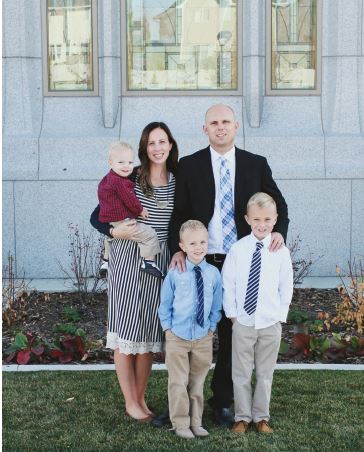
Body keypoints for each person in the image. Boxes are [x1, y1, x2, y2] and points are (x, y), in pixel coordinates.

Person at [167, 104, 289, 427]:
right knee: (193, 331)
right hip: (201, 262)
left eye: (225, 122)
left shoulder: (255, 164)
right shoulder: (189, 166)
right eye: (213, 123)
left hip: (242, 263)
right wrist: (175, 251)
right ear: (204, 129)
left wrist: (278, 235)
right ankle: (184, 401)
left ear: (235, 126)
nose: (220, 127)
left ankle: (223, 401)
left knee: (232, 331)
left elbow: (281, 207)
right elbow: (178, 214)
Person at [90, 122, 178, 421]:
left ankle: (140, 399)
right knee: (128, 328)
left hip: (158, 259)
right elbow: (97, 215)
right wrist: (115, 234)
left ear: (170, 145)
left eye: (162, 141)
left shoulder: (179, 180)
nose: (157, 148)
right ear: (144, 147)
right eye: (151, 143)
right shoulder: (130, 176)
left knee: (148, 331)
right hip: (127, 256)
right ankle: (130, 401)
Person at [222, 192, 293, 434]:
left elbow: (287, 285)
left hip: (270, 321)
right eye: (256, 220)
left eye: (267, 220)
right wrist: (233, 315)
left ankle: (261, 417)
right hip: (243, 320)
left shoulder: (280, 251)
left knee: (265, 373)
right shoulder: (238, 249)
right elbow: (228, 284)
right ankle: (242, 417)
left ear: (275, 220)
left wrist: (280, 315)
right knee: (240, 372)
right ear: (247, 219)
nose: (262, 225)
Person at [158, 220, 222, 439]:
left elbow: (216, 305)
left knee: (197, 383)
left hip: (203, 336)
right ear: (182, 246)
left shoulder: (213, 273)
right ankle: (180, 424)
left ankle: (196, 422)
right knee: (178, 381)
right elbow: (164, 304)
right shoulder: (176, 273)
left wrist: (211, 328)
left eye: (203, 241)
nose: (198, 247)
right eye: (192, 243)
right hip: (178, 335)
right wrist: (168, 329)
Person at [98, 141, 162, 278]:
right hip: (123, 220)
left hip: (112, 220)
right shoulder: (119, 181)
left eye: (130, 162)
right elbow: (129, 199)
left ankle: (105, 261)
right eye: (121, 162)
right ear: (110, 162)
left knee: (110, 238)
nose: (127, 166)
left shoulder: (108, 179)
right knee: (149, 234)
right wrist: (140, 210)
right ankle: (149, 262)